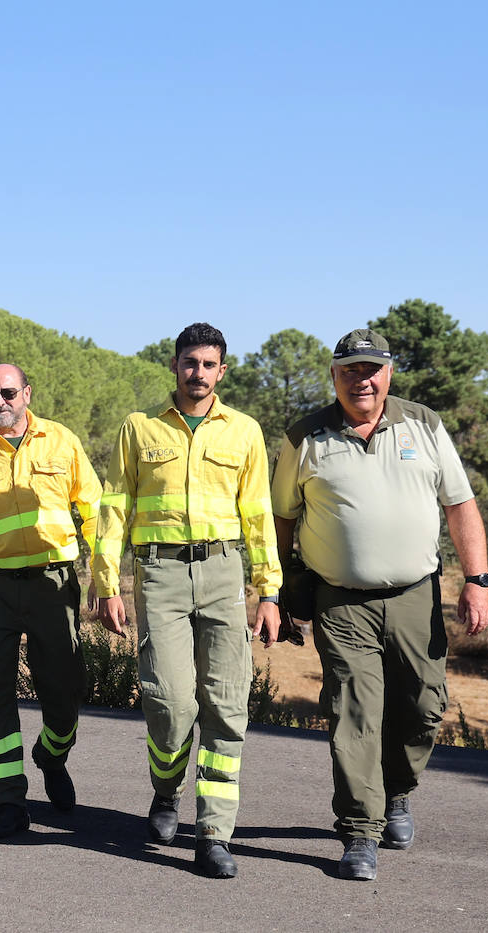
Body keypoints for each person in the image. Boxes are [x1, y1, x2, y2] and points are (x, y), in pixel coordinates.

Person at [271, 328, 488, 882]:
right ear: (334, 375)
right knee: (353, 710)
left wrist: (478, 580)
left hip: (416, 594)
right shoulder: (304, 437)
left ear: (388, 374)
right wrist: (278, 588)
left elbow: (460, 504)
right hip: (340, 601)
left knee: (422, 706)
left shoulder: (425, 424)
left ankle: (396, 792)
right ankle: (359, 832)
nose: (361, 381)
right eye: (349, 371)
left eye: (371, 371)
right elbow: (281, 518)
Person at [92, 323, 283, 879]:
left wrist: (268, 591)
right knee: (171, 704)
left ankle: (213, 834)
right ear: (174, 366)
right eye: (189, 362)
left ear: (222, 371)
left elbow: (258, 515)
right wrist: (106, 582)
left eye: (208, 364)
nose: (198, 372)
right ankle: (166, 788)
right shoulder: (140, 427)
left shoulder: (244, 431)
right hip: (161, 574)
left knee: (226, 705)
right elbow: (115, 506)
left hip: (224, 573)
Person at [0, 363, 102, 838]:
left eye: (8, 392)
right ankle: (7, 800)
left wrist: (103, 577)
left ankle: (52, 755)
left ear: (27, 393)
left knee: (66, 690)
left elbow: (94, 510)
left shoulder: (62, 441)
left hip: (53, 584)